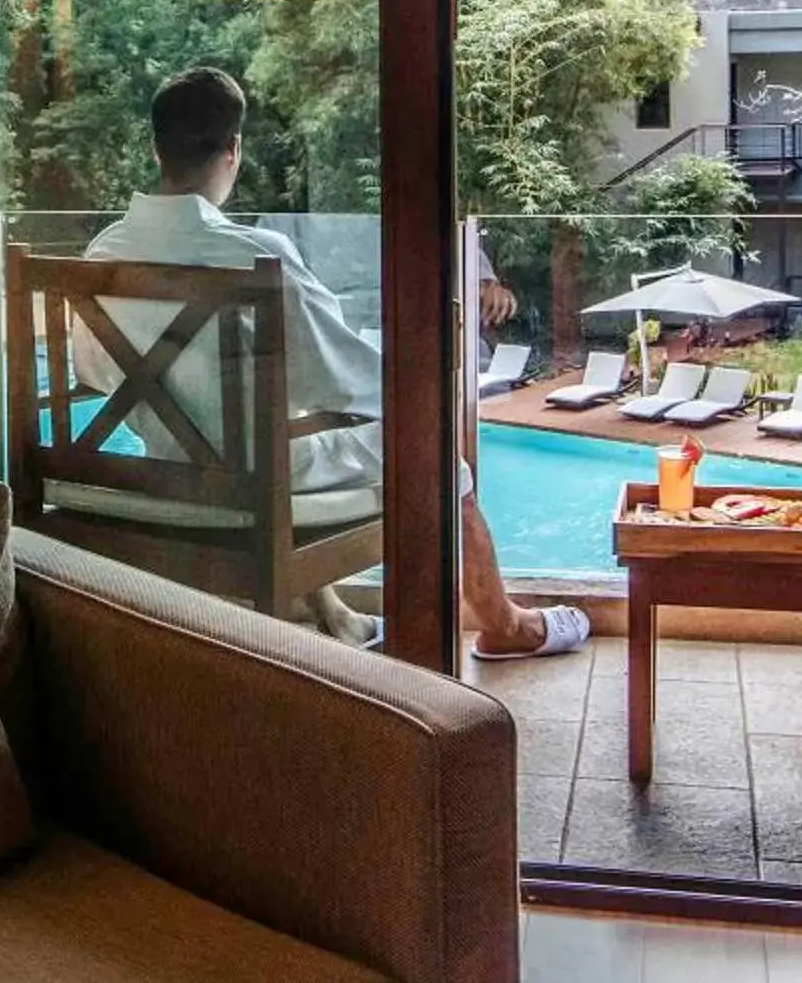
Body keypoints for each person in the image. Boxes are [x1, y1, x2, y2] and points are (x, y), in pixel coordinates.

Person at [79, 67, 591, 658]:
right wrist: (411, 368)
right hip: (255, 479)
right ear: (234, 149)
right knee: (436, 450)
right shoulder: (256, 255)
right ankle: (505, 625)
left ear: (155, 148)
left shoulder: (104, 251)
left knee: (277, 422)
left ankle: (339, 616)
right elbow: (342, 378)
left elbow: (95, 372)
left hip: (162, 466)